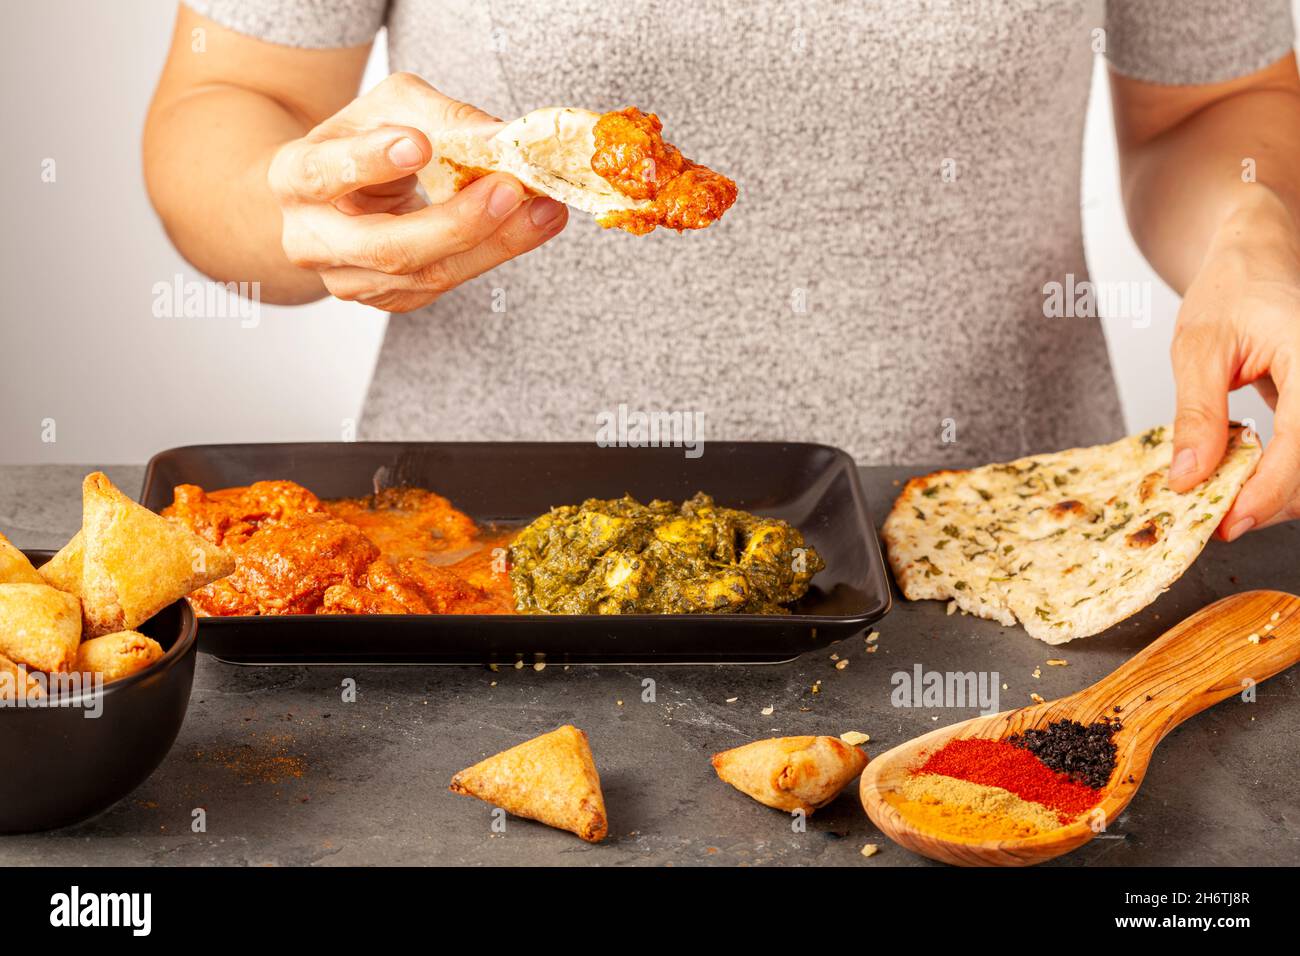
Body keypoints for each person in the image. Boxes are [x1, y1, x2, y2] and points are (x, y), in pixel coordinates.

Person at [144, 1, 1300, 539]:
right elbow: (228, 105)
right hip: (478, 557)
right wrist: (295, 215)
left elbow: (1216, 109)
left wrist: (1254, 228)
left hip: (1001, 550)